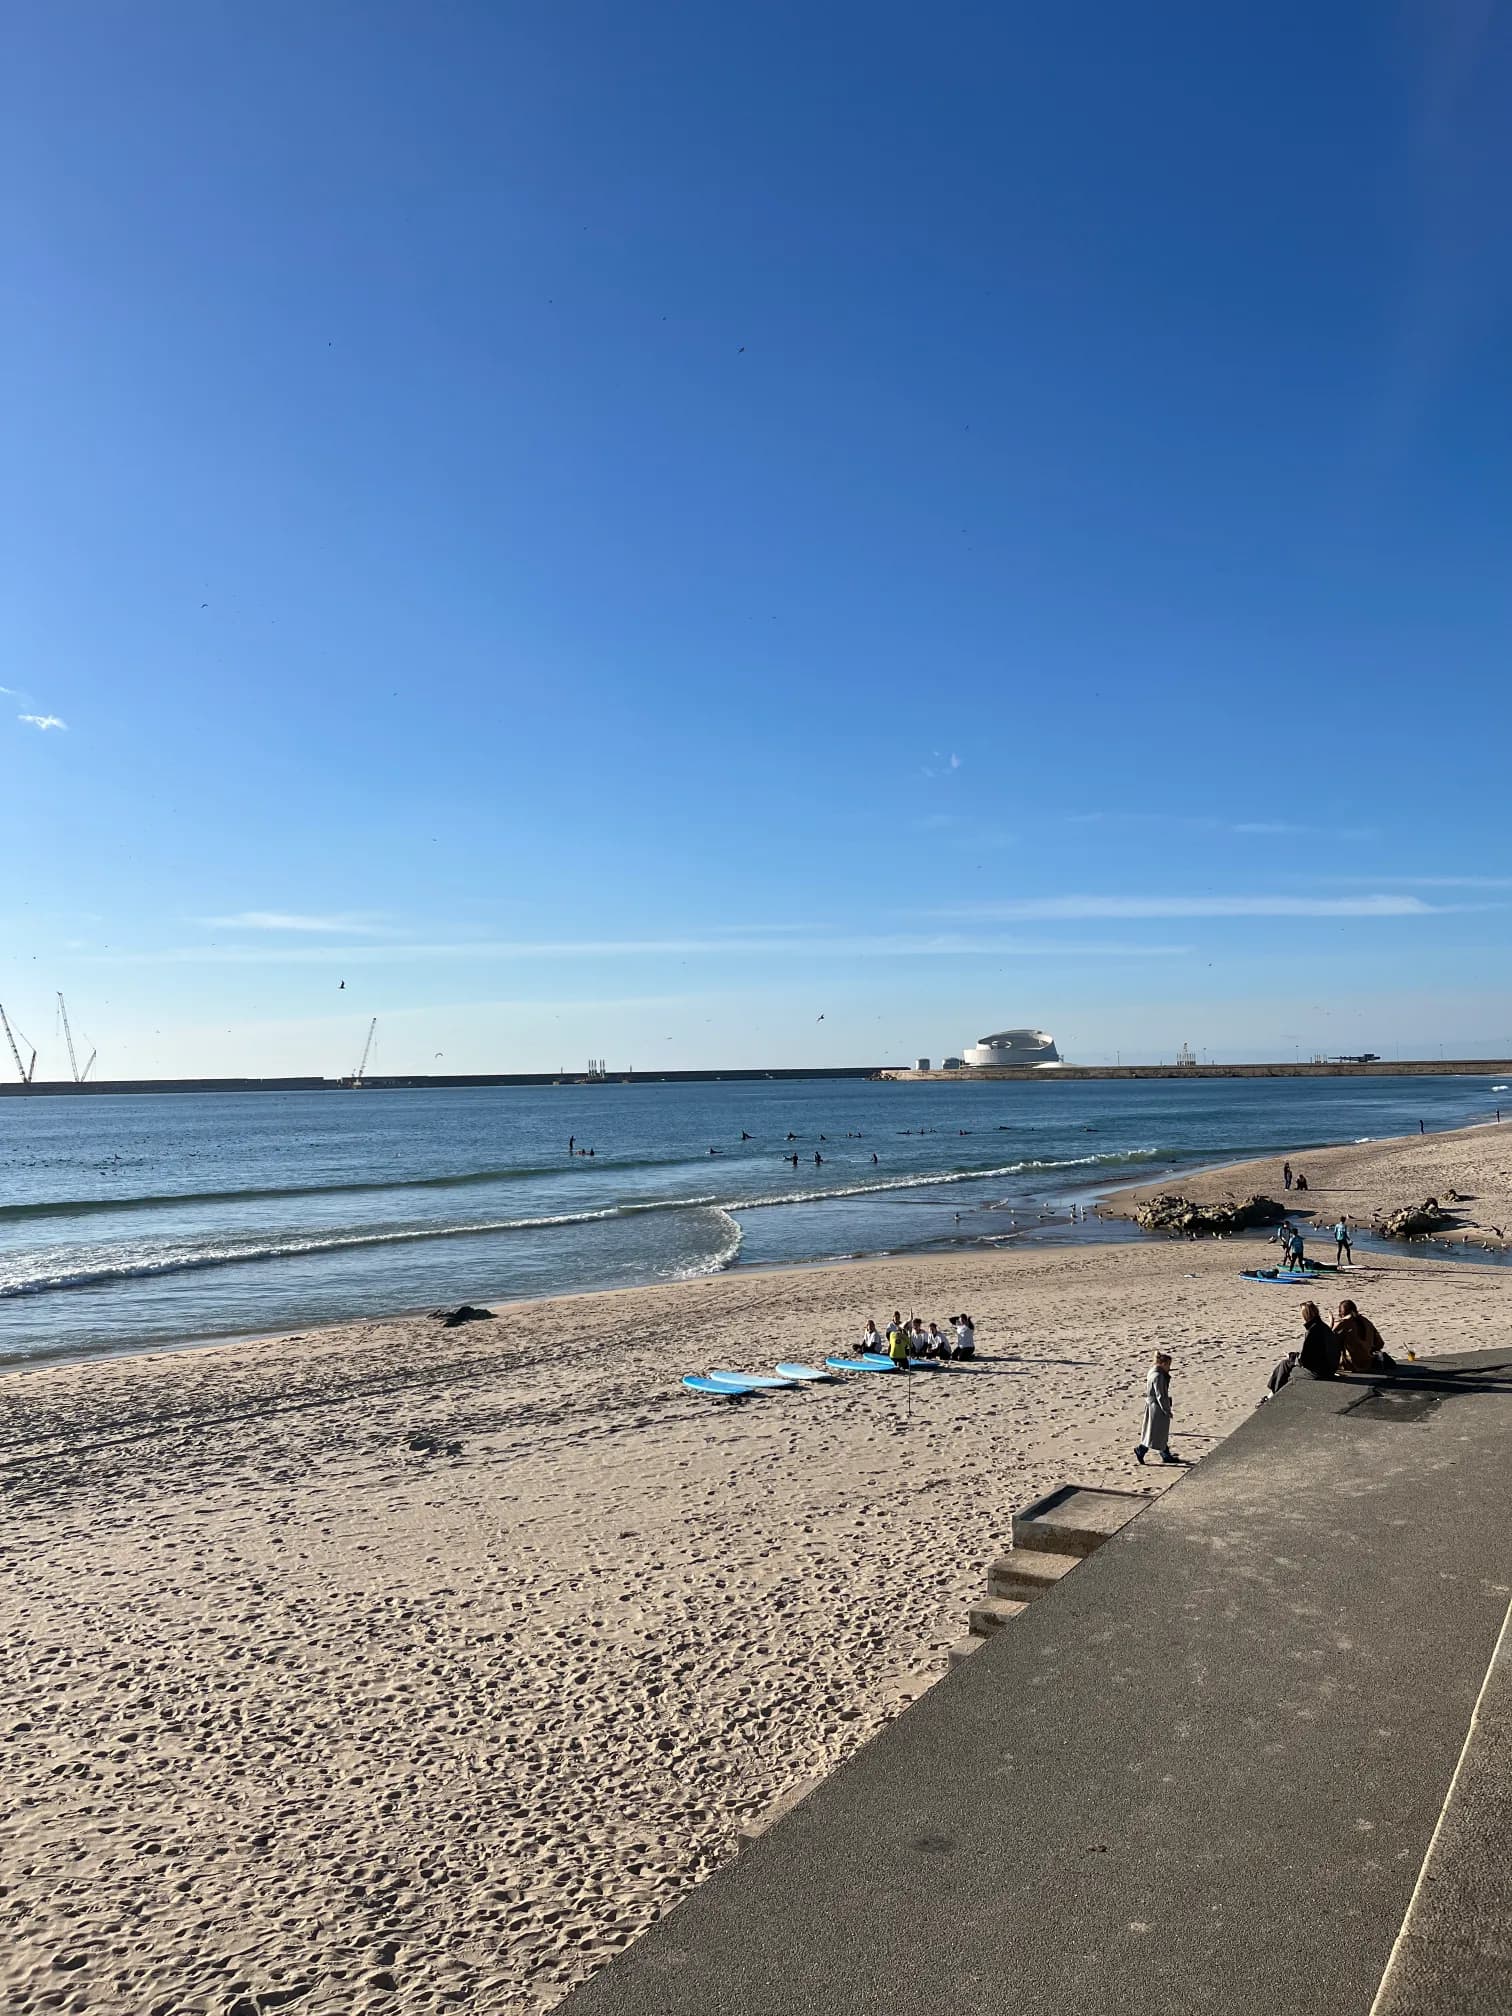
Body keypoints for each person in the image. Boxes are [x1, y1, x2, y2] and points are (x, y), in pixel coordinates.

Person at [1134, 1352, 1180, 1464]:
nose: (1169, 1368)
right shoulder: (1158, 1376)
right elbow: (1161, 1395)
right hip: (1157, 1407)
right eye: (1168, 1365)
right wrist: (1167, 1410)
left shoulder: (1152, 1371)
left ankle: (1165, 1455)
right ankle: (1142, 1450)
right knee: (1157, 1432)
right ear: (1163, 1364)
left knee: (1155, 1432)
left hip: (1152, 1404)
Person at [1334, 1300, 1395, 1373]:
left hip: (1350, 1364)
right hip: (1368, 1362)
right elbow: (1380, 1343)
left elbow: (1330, 1341)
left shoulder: (1343, 1323)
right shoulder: (1366, 1321)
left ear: (1341, 1313)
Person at [1297, 1300, 1340, 1379]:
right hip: (1331, 1368)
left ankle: (1276, 1389)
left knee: (1285, 1365)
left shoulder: (1312, 1331)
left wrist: (1293, 1359)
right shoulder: (1323, 1326)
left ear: (1305, 1315)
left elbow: (1304, 1360)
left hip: (1319, 1372)